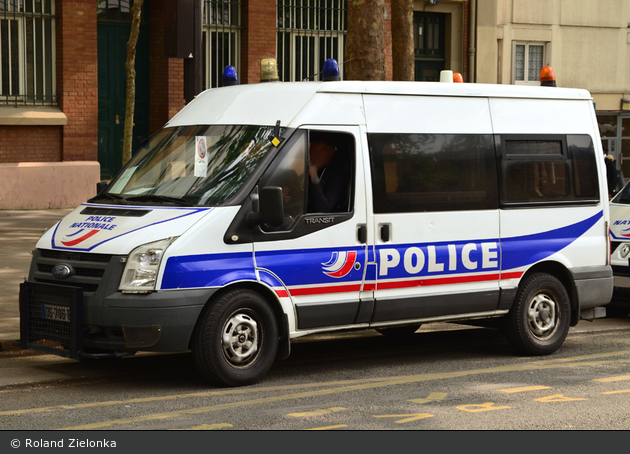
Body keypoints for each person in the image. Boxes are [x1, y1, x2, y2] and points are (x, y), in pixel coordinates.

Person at [307, 136, 349, 213]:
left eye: (317, 153)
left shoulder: (338, 176)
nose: (312, 157)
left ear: (330, 154)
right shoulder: (311, 169)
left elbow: (324, 208)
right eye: (311, 152)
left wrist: (314, 177)